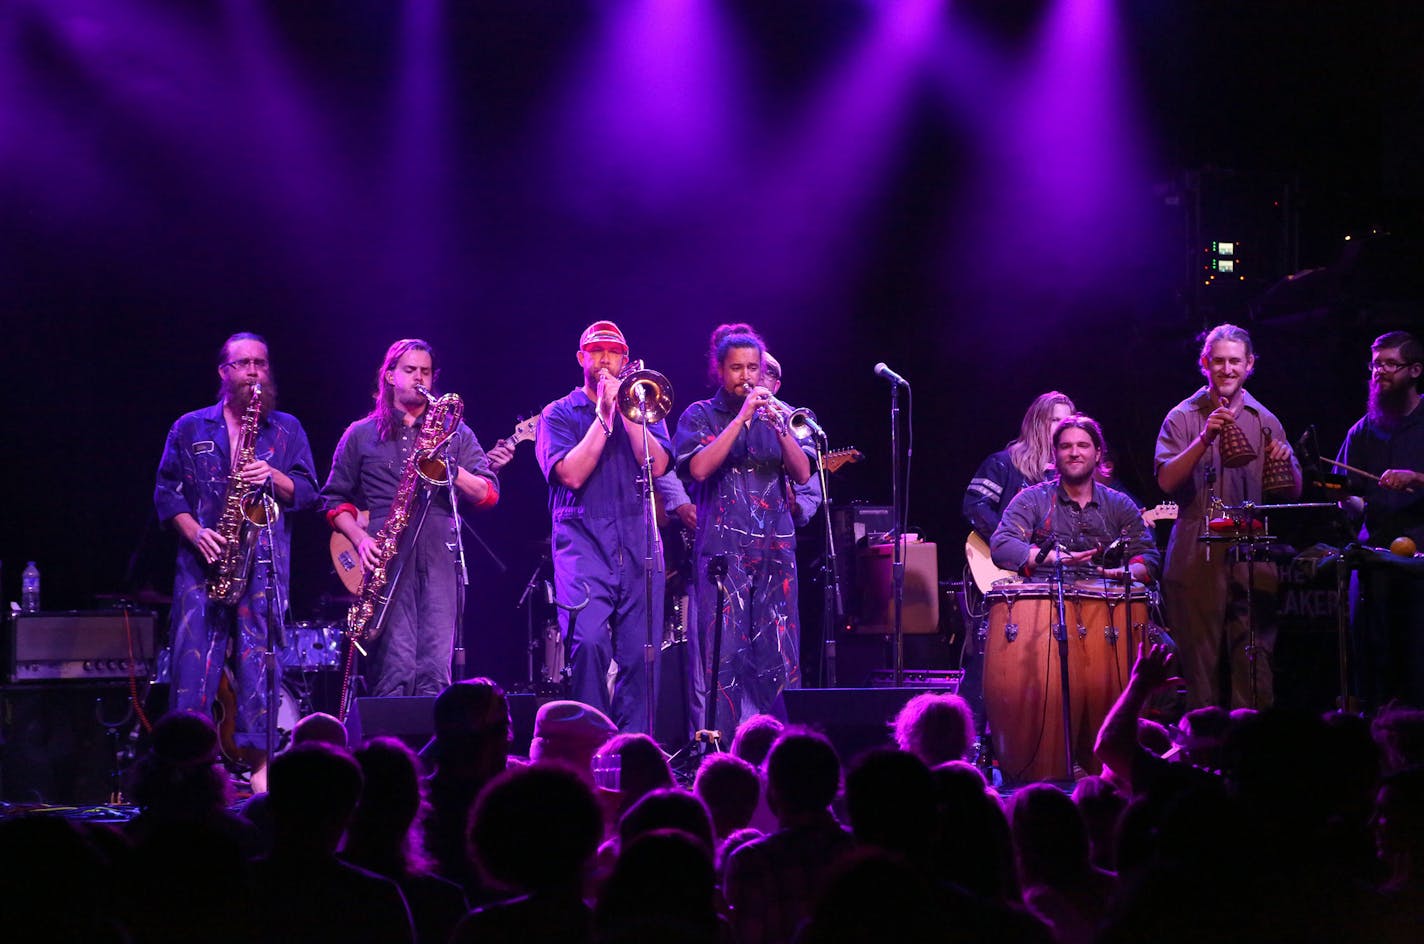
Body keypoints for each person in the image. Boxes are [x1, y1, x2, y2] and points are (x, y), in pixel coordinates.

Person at [154, 332, 318, 770]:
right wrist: (195, 532)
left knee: (260, 676)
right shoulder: (189, 427)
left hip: (262, 569)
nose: (253, 372)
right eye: (243, 364)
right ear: (224, 372)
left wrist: (274, 477)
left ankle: (260, 774)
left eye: (260, 364)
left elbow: (307, 491)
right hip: (201, 567)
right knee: (190, 676)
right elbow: (166, 494)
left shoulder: (287, 429)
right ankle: (186, 770)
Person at [322, 338, 499, 698]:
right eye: (409, 370)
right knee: (395, 670)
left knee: (436, 671)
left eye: (426, 372)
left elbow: (488, 494)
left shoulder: (456, 434)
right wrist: (360, 538)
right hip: (385, 554)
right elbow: (332, 500)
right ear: (389, 376)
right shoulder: (360, 434)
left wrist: (447, 465)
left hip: (439, 549)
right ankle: (390, 752)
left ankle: (435, 753)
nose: (419, 377)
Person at [675, 324, 814, 733]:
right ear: (719, 370)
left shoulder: (784, 414)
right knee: (725, 658)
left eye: (752, 367)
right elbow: (698, 468)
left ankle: (782, 753)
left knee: (780, 656)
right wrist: (741, 419)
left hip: (776, 552)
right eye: (736, 368)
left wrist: (779, 428)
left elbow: (804, 473)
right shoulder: (699, 415)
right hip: (723, 554)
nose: (747, 376)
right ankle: (722, 755)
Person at [536, 320, 673, 735]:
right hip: (582, 545)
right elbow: (572, 475)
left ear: (626, 360)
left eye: (613, 352)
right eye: (596, 352)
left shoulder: (644, 406)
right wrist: (604, 416)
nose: (605, 360)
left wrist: (630, 409)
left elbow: (658, 465)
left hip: (637, 543)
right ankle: (590, 748)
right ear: (582, 358)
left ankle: (634, 751)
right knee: (590, 644)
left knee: (640, 656)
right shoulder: (557, 414)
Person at [1155, 323, 1301, 709]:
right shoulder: (1183, 416)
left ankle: (1252, 758)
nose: (1227, 369)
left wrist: (1287, 462)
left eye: (1235, 361)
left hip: (1251, 554)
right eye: (1218, 361)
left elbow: (1292, 492)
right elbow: (1167, 481)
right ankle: (1200, 758)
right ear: (1205, 363)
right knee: (1199, 670)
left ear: (1249, 364)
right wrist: (1204, 438)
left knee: (1254, 667)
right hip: (1194, 555)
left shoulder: (1265, 419)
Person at [1336, 330, 1424, 710]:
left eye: (1390, 364)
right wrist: (1348, 502)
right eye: (1376, 364)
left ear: (1415, 370)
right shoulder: (1363, 430)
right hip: (1376, 562)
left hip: (1421, 564)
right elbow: (1350, 494)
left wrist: (1418, 478)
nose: (1380, 372)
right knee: (1373, 658)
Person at [990, 414, 1159, 585]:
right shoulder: (1032, 499)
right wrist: (1052, 557)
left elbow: (1148, 556)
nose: (1074, 453)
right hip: (1044, 604)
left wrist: (1124, 572)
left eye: (1083, 445)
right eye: (1065, 446)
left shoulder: (1120, 504)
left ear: (1098, 453)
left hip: (1107, 604)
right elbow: (1002, 546)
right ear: (1055, 454)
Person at [964, 392, 1076, 542]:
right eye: (1055, 420)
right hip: (1004, 558)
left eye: (1067, 422)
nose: (1062, 427)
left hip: (1048, 563)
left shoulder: (1069, 475)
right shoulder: (1003, 463)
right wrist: (1011, 543)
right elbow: (976, 507)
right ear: (1037, 424)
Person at [762, 351, 823, 528]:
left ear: (776, 386)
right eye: (756, 369)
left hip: (777, 529)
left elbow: (809, 486)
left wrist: (796, 507)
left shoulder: (793, 417)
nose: (762, 377)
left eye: (770, 373)